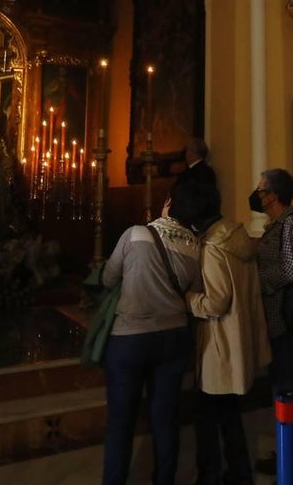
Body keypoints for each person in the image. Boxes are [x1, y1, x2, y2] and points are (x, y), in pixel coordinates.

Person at [101, 186, 203, 485]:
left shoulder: (135, 234)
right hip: (173, 337)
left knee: (121, 421)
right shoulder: (195, 246)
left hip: (130, 339)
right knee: (165, 418)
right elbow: (193, 290)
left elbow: (109, 277)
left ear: (168, 204)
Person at [184, 180, 271, 485]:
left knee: (207, 417)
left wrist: (187, 298)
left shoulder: (212, 248)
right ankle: (240, 472)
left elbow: (216, 302)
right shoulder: (238, 236)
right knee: (229, 414)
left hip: (218, 348)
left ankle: (210, 475)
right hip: (237, 341)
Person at [251, 168, 293, 479]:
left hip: (290, 324)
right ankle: (287, 453)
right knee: (281, 389)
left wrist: (257, 282)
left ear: (274, 195)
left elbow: (290, 270)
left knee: (289, 388)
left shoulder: (291, 225)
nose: (258, 194)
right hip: (277, 322)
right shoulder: (274, 226)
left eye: (262, 189)